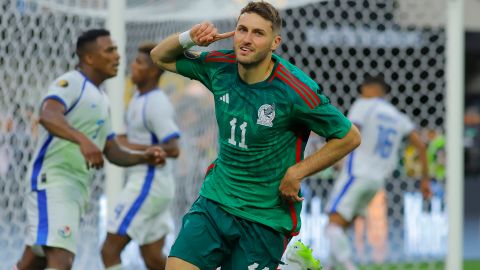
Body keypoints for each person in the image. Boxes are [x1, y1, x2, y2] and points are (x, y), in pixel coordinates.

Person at [150, 1, 361, 269]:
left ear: (275, 43)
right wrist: (190, 38)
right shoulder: (220, 66)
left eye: (258, 33)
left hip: (265, 218)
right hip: (215, 202)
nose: (246, 39)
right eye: (242, 30)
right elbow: (160, 56)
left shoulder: (295, 90)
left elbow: (350, 136)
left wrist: (297, 173)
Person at [15, 29, 166, 270]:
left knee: (34, 262)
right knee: (61, 261)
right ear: (89, 58)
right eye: (109, 50)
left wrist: (143, 157)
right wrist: (83, 140)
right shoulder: (71, 82)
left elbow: (112, 150)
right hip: (53, 183)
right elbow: (47, 115)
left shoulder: (102, 99)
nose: (117, 56)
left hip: (75, 189)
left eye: (116, 50)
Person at [324, 75, 432, 270]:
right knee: (342, 228)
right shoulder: (398, 116)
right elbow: (422, 147)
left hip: (356, 174)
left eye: (362, 89)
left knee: (332, 227)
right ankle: (332, 266)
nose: (361, 93)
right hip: (376, 182)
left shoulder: (364, 105)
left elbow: (349, 134)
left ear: (370, 89)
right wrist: (425, 181)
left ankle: (349, 266)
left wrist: (334, 160)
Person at [100, 42, 181, 270]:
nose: (132, 66)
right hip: (155, 185)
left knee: (109, 251)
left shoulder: (156, 102)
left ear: (153, 70)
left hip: (148, 184)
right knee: (154, 258)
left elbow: (173, 148)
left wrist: (130, 146)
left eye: (139, 63)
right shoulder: (139, 98)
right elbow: (129, 140)